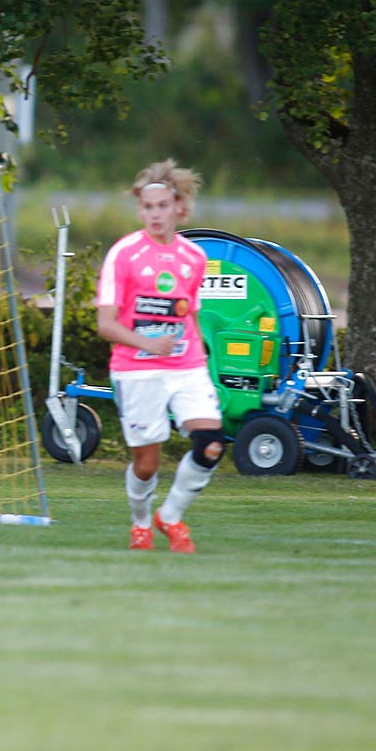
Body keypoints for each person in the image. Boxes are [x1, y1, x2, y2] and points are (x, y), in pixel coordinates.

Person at [95, 160, 220, 554]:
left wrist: (202, 357)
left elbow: (190, 314)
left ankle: (171, 516)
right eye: (148, 207)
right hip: (137, 370)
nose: (155, 214)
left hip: (186, 366)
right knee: (147, 465)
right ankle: (141, 522)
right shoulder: (124, 254)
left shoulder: (194, 257)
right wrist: (147, 344)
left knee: (211, 443)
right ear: (140, 211)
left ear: (179, 207)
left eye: (162, 206)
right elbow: (105, 324)